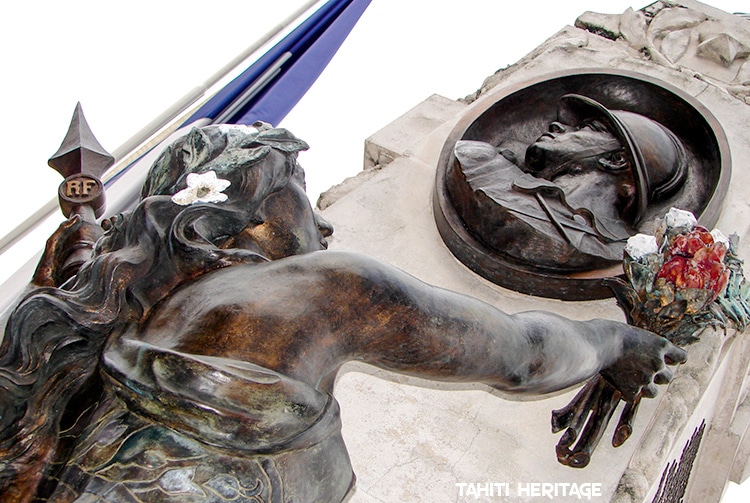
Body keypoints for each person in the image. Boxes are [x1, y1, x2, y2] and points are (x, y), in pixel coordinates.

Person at [0, 123, 685, 502]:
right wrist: (614, 339)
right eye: (297, 191)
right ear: (212, 226)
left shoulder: (133, 343)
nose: (324, 223)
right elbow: (522, 352)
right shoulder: (312, 291)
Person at [449, 94, 688, 272]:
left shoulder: (613, 249)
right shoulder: (484, 164)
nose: (557, 126)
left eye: (588, 128)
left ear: (615, 160)